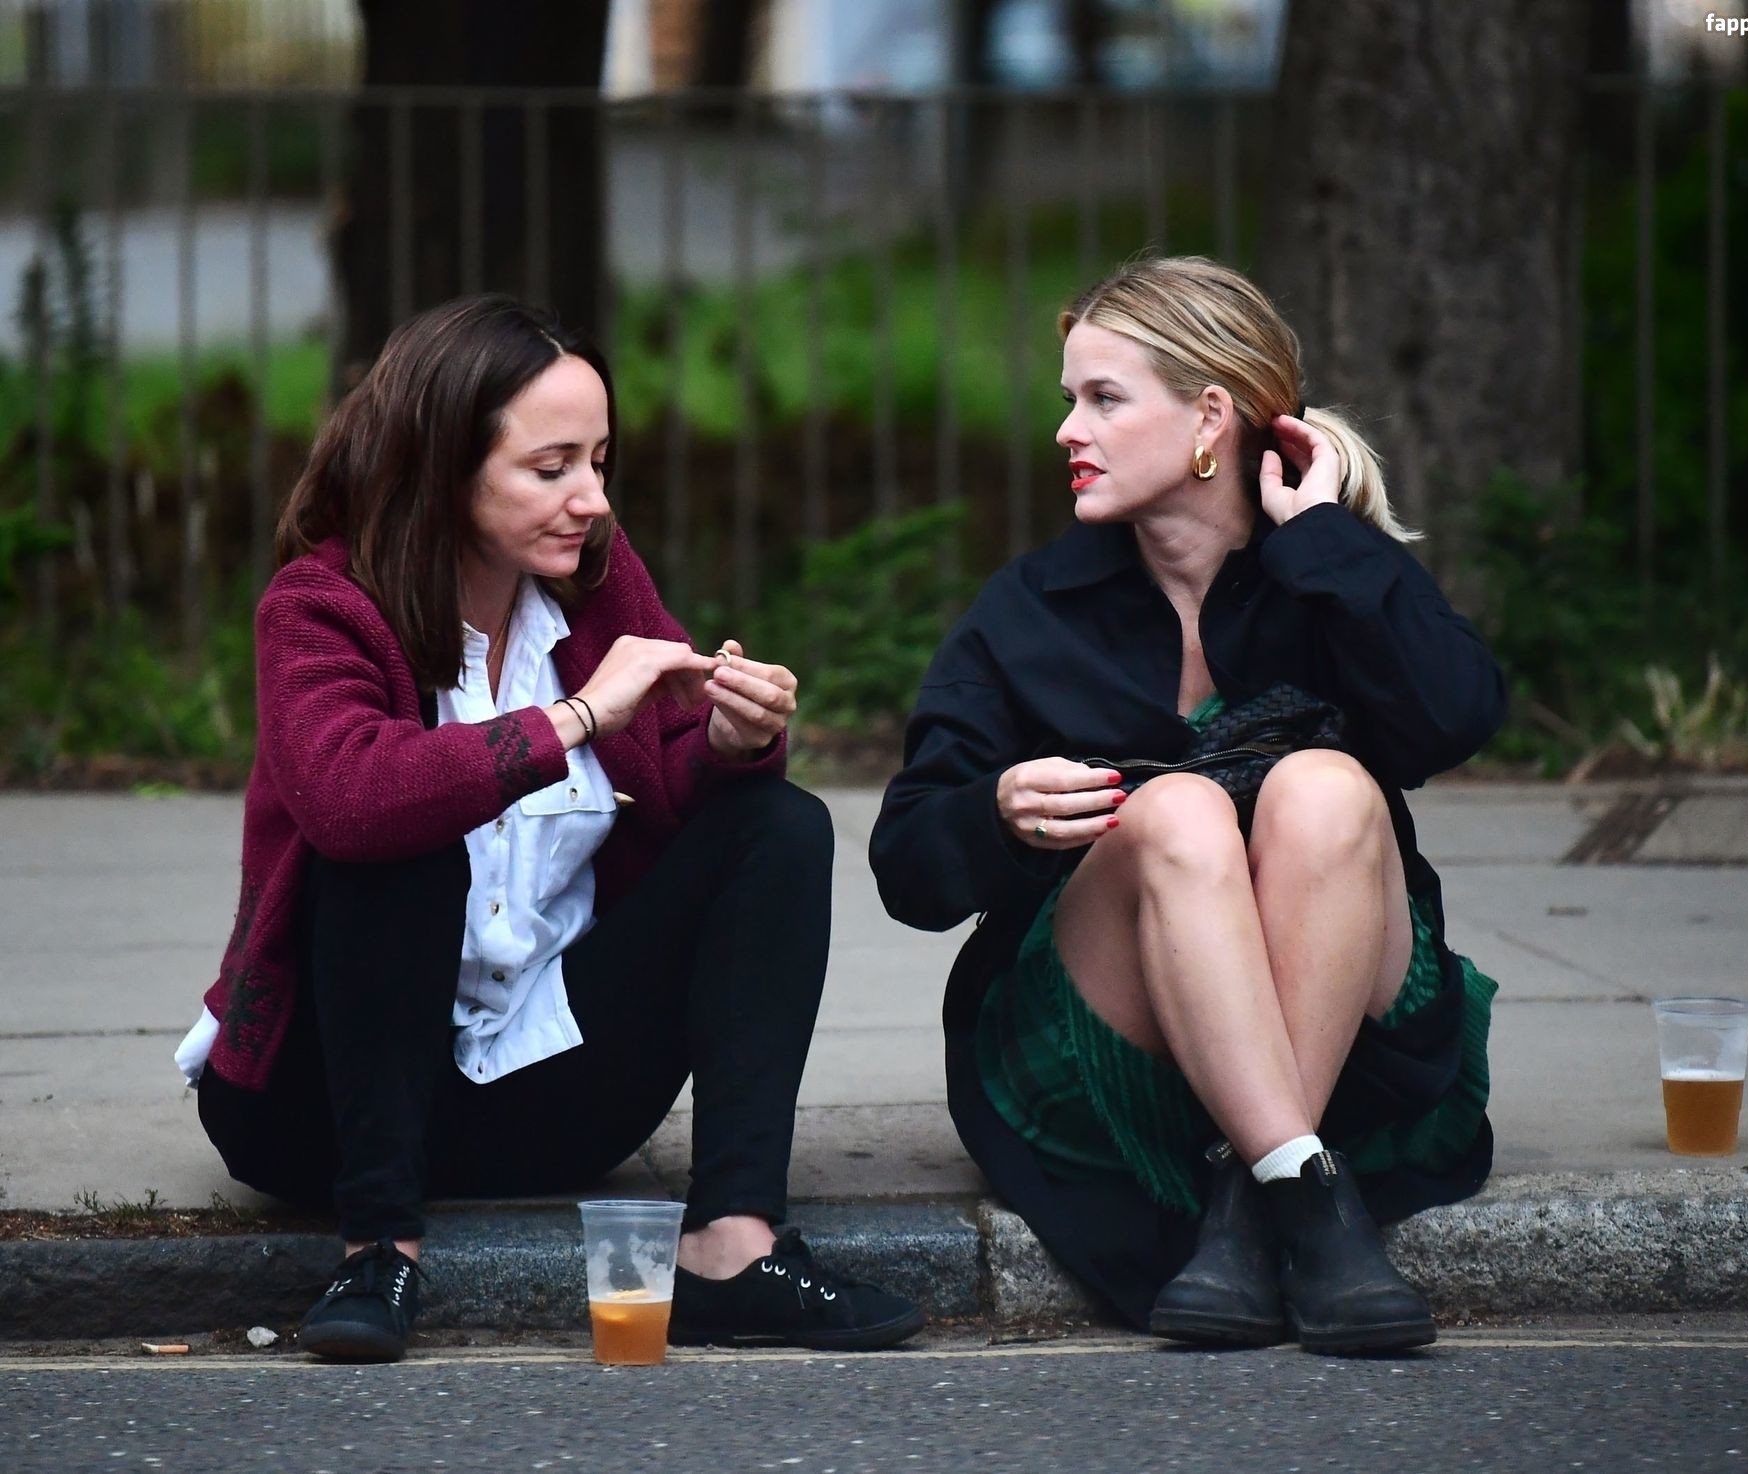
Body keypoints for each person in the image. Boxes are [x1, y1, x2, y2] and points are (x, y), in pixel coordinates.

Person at [176, 295, 925, 1361]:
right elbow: (349, 796)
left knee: (779, 825)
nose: (592, 500)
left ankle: (733, 1247)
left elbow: (668, 794)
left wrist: (727, 740)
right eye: (552, 467)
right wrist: (573, 719)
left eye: (600, 462)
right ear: (444, 465)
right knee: (401, 832)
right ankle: (377, 1252)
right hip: (320, 1117)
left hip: (542, 1092)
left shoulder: (597, 585)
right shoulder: (320, 605)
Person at [868, 257, 1505, 1356]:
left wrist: (1324, 539)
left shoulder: (1326, 577)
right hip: (1110, 1058)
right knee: (1176, 813)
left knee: (1324, 788)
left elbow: (1456, 717)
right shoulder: (1032, 610)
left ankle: (1256, 1190)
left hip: (1346, 1045)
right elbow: (907, 865)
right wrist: (997, 811)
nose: (1068, 430)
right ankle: (1309, 1197)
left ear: (1211, 417)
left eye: (1103, 399)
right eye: (1069, 398)